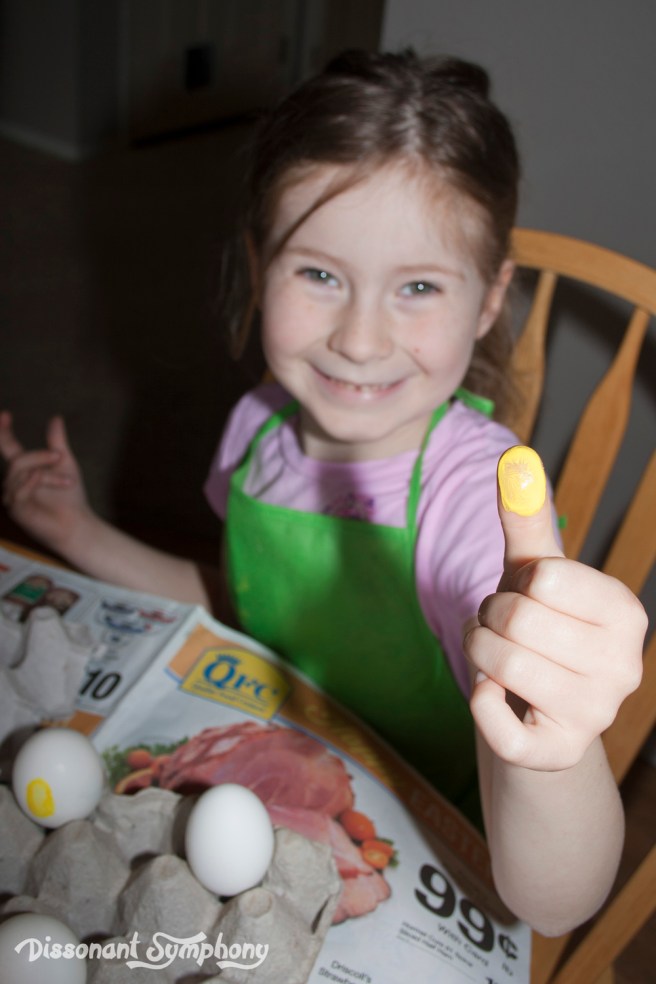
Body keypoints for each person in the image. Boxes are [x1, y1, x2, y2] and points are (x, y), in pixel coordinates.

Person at [0, 50, 646, 936]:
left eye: (418, 287)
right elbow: (248, 605)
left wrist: (555, 750)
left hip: (433, 844)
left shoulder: (469, 502)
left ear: (491, 299)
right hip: (270, 769)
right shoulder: (259, 426)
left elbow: (557, 901)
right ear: (259, 262)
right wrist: (76, 531)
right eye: (319, 275)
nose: (359, 338)